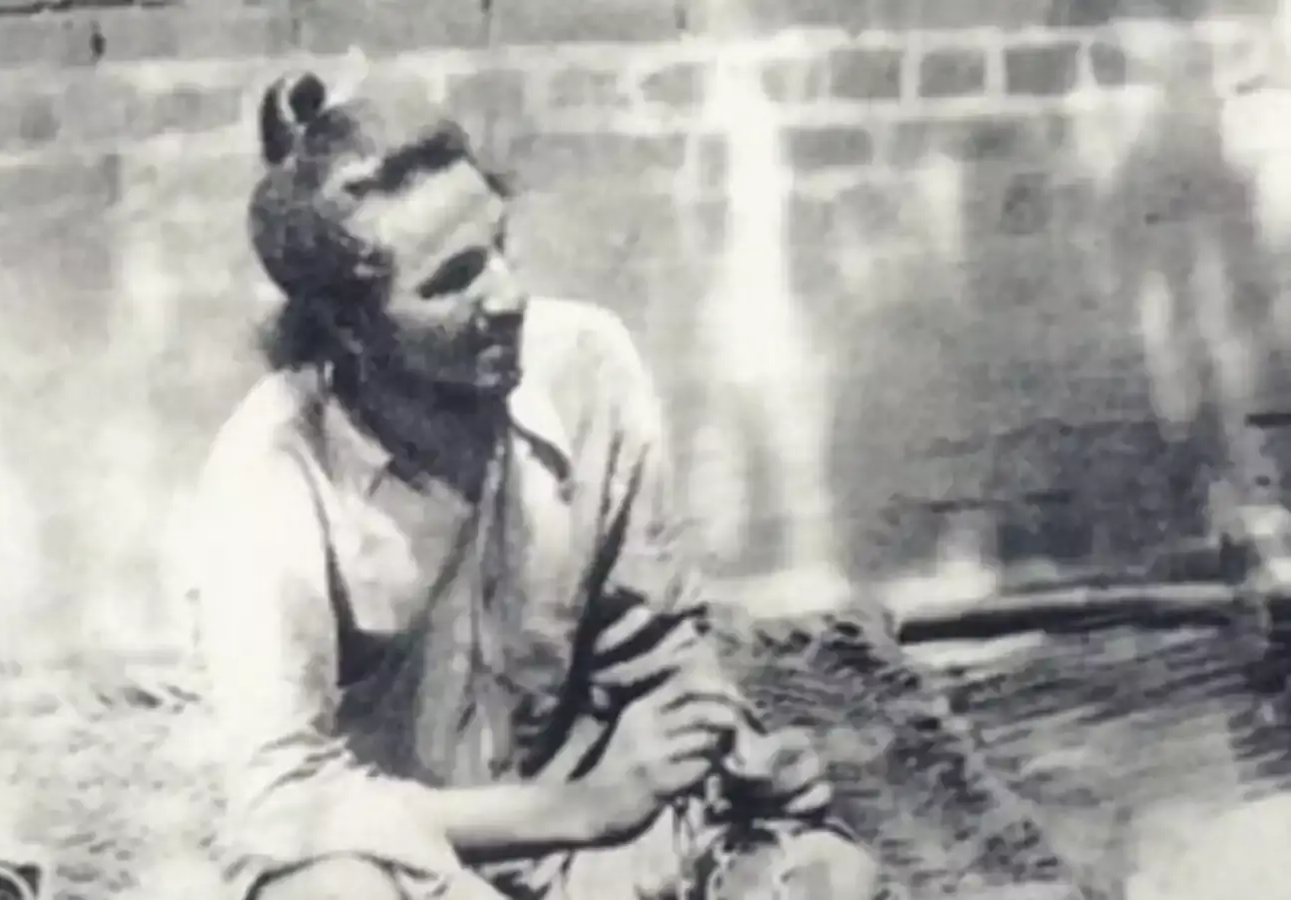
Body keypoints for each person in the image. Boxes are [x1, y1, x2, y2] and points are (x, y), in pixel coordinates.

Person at [190, 67, 883, 900]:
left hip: (594, 820)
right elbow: (285, 800)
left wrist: (724, 741)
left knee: (831, 879)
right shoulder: (272, 468)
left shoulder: (588, 364)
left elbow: (654, 641)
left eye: (500, 248)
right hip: (406, 849)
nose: (508, 297)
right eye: (451, 281)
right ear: (349, 325)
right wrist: (579, 809)